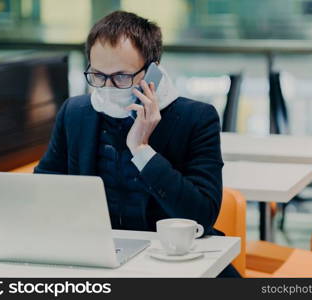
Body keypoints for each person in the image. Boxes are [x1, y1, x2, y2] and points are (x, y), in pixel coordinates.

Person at [34, 10, 240, 277]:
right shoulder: (75, 113)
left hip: (178, 262)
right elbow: (45, 188)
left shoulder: (196, 119)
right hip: (100, 261)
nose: (108, 87)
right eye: (98, 75)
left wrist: (142, 150)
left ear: (153, 72)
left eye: (121, 76)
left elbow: (201, 215)